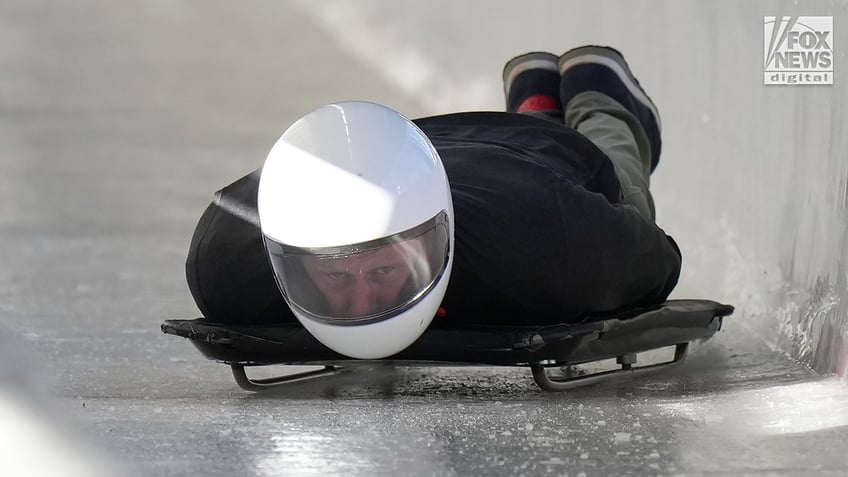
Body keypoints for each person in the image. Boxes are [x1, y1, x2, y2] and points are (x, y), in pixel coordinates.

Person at [184, 45, 681, 358]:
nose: (363, 306)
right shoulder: (226, 262)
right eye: (334, 276)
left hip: (539, 168)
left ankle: (599, 92)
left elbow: (657, 259)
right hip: (404, 144)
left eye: (382, 271)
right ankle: (536, 102)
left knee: (627, 199)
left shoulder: (553, 246)